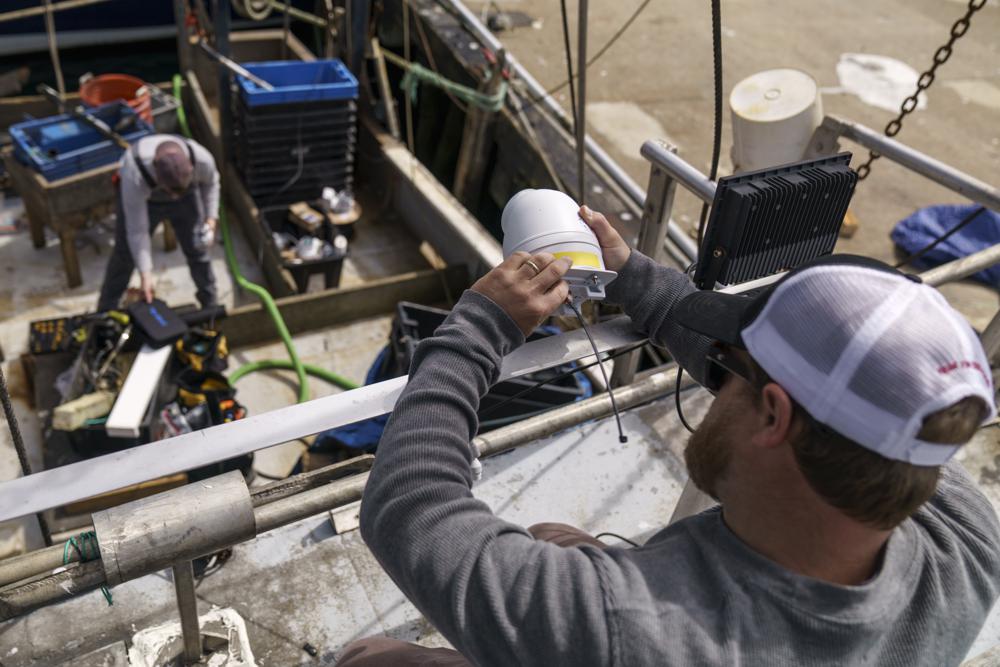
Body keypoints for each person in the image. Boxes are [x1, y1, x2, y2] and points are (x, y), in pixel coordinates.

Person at [339, 206, 1000, 666]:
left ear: (774, 416)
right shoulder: (968, 541)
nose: (716, 370)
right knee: (550, 538)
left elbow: (410, 504)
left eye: (731, 365)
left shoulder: (616, 629)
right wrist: (634, 279)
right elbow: (840, 405)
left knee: (370, 658)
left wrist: (477, 328)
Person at [97, 134, 220, 312]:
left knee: (198, 249)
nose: (174, 197)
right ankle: (105, 311)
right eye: (172, 191)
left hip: (188, 197)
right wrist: (146, 276)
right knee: (125, 255)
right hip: (146, 201)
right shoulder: (135, 173)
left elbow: (211, 183)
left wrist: (210, 220)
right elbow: (137, 231)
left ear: (191, 167)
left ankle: (211, 305)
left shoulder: (202, 158)